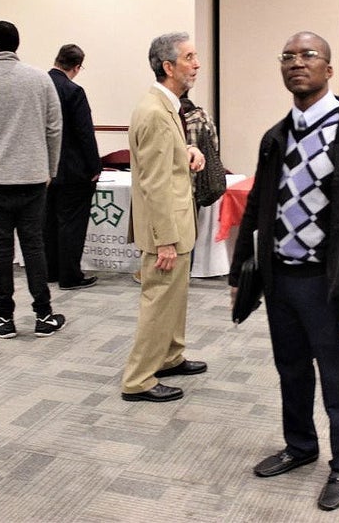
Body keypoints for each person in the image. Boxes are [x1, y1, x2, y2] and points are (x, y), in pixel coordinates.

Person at [228, 31, 339, 511]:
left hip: (331, 286)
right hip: (283, 281)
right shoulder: (276, 135)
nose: (297, 63)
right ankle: (300, 446)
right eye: (288, 56)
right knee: (292, 371)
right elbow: (259, 205)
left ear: (329, 68)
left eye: (308, 56)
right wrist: (242, 271)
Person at [120, 32, 207, 403]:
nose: (197, 64)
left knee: (174, 297)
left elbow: (162, 162)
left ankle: (170, 357)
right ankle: (138, 379)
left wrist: (187, 151)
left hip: (177, 222)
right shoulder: (156, 112)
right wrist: (164, 239)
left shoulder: (166, 106)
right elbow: (154, 184)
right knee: (158, 300)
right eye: (189, 57)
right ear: (168, 66)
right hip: (166, 230)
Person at [0, 20, 66, 339]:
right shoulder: (40, 79)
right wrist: (50, 168)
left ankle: (4, 317)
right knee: (33, 245)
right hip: (34, 177)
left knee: (0, 249)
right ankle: (44, 315)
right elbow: (54, 128)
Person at [45, 44, 102, 291]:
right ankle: (70, 275)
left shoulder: (40, 87)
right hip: (73, 170)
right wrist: (95, 167)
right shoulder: (73, 91)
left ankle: (50, 271)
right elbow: (84, 133)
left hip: (45, 169)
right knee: (72, 224)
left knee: (48, 222)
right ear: (77, 67)